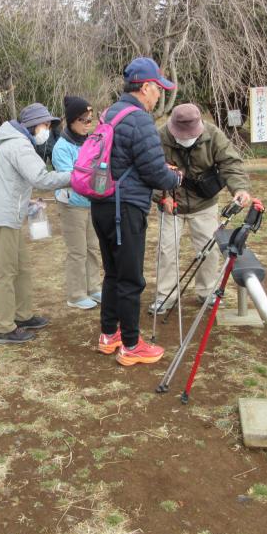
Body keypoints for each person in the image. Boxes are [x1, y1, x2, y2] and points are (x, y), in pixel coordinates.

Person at [91, 57, 182, 366]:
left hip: (102, 203)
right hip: (125, 209)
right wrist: (175, 178)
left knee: (113, 273)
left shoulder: (109, 113)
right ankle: (131, 345)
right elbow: (155, 173)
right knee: (130, 278)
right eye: (158, 89)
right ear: (145, 87)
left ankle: (109, 335)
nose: (159, 95)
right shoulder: (140, 119)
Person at [0, 103, 71, 344]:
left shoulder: (10, 142)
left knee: (22, 268)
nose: (47, 130)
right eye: (45, 125)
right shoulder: (19, 144)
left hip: (8, 213)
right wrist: (75, 176)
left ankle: (22, 315)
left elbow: (8, 181)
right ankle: (4, 327)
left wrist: (25, 201)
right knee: (6, 272)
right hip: (4, 217)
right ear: (33, 124)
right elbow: (41, 178)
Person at [149, 104, 251, 314]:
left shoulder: (213, 134)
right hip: (171, 204)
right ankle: (164, 295)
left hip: (204, 203)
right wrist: (162, 196)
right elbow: (150, 170)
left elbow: (231, 163)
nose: (186, 137)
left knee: (209, 249)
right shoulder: (159, 137)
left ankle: (206, 291)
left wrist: (239, 188)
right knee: (166, 250)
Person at [51, 96, 102, 309]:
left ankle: (94, 287)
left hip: (92, 203)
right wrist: (93, 174)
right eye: (83, 120)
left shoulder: (90, 142)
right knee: (77, 251)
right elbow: (70, 177)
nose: (88, 124)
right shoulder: (61, 147)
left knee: (93, 248)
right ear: (71, 120)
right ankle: (76, 294)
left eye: (90, 119)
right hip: (72, 205)